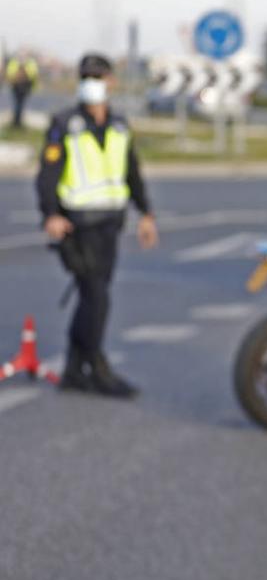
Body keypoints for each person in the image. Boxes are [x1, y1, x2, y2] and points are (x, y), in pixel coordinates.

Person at [35, 53, 157, 397]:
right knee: (96, 298)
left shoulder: (119, 126)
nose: (93, 83)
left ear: (111, 82)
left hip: (110, 224)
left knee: (92, 296)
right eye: (87, 76)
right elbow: (47, 175)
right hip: (78, 226)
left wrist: (146, 213)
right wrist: (50, 215)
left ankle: (74, 368)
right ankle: (98, 367)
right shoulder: (64, 124)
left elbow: (132, 172)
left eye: (98, 76)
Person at [7, 53, 39, 129]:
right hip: (20, 86)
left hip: (21, 86)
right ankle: (17, 122)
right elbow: (34, 75)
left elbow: (33, 75)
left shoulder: (15, 62)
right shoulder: (30, 63)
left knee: (19, 104)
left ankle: (17, 122)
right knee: (19, 104)